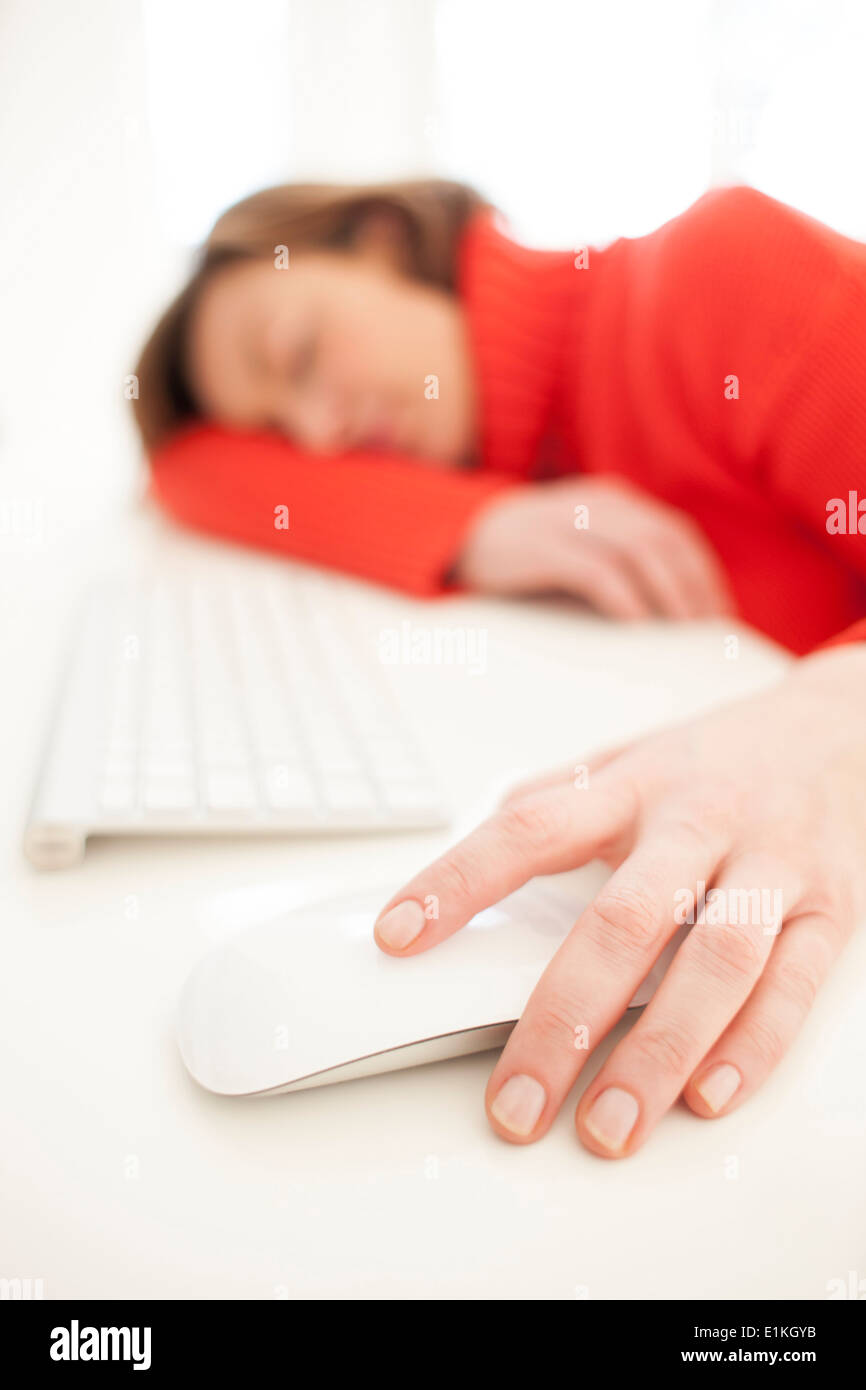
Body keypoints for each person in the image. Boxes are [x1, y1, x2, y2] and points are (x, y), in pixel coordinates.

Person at [132, 179, 866, 1157]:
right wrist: (476, 523)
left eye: (298, 355)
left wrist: (834, 717)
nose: (313, 438)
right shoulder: (510, 464)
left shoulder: (715, 273)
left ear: (384, 239)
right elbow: (184, 468)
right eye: (275, 429)